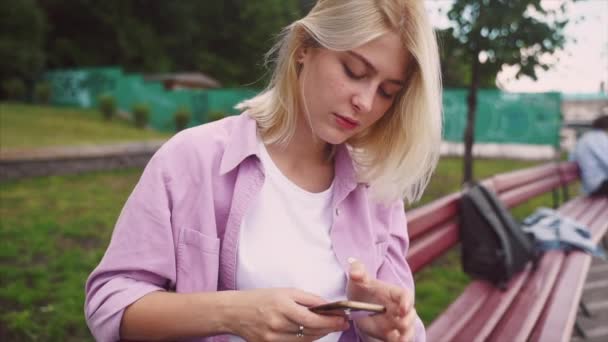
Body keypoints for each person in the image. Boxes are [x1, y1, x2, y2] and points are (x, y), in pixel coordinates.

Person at [84, 0, 442, 341]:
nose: (365, 102)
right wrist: (232, 313)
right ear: (304, 47)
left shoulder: (377, 190)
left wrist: (384, 329)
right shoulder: (194, 159)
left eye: (387, 92)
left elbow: (407, 329)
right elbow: (109, 303)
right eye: (354, 71)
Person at [570, 115, 608, 197]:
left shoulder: (585, 138)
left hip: (589, 186)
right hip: (598, 185)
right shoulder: (600, 139)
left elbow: (571, 158)